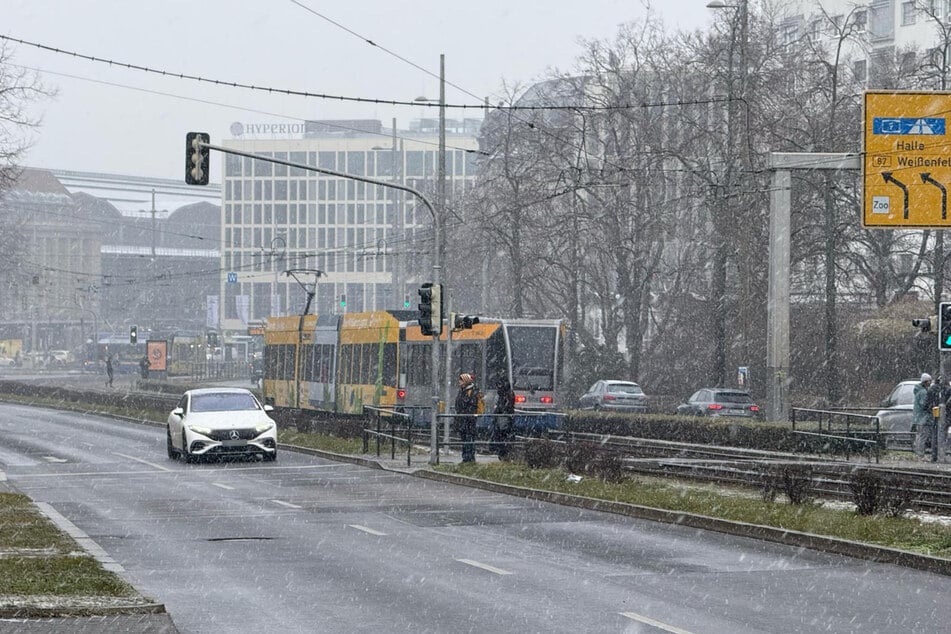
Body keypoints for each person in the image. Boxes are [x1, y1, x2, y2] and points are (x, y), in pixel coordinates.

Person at [455, 372, 479, 463]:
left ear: (466, 381)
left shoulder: (471, 392)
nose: (459, 382)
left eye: (461, 380)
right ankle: (466, 458)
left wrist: (465, 413)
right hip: (463, 419)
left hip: (468, 420)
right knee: (465, 438)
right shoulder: (463, 390)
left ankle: (469, 458)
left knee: (468, 439)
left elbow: (470, 405)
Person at [491, 377, 516, 460]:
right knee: (502, 437)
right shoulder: (506, 394)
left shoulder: (506, 395)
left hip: (503, 419)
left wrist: (498, 410)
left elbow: (505, 407)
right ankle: (503, 453)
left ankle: (503, 453)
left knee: (502, 437)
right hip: (503, 419)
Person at [913, 372, 936, 459]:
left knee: (919, 436)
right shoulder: (923, 392)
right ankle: (920, 454)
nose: (930, 383)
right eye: (929, 381)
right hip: (924, 418)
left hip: (919, 418)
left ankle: (918, 453)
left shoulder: (918, 391)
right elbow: (924, 405)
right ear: (926, 382)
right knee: (923, 436)